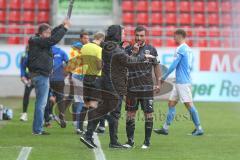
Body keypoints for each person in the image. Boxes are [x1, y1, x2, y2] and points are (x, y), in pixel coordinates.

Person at [80, 25, 156, 149]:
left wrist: (133, 53)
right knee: (113, 113)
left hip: (105, 82)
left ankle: (90, 135)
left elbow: (123, 59)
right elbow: (129, 62)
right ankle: (110, 141)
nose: (124, 35)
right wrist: (144, 57)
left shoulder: (107, 46)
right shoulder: (116, 49)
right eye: (122, 32)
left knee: (103, 110)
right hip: (114, 84)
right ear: (117, 34)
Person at [154, 29, 204, 136]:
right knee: (171, 103)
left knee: (189, 105)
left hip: (183, 82)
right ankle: (165, 128)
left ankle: (199, 128)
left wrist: (164, 77)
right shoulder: (189, 49)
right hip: (180, 81)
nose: (173, 38)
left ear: (179, 35)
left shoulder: (180, 49)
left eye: (174, 36)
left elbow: (174, 64)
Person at [28, 19, 70, 135]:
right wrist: (65, 29)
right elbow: (53, 39)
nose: (49, 35)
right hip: (40, 75)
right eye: (47, 33)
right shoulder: (36, 40)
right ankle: (37, 130)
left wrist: (61, 25)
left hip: (42, 75)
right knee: (41, 104)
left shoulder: (38, 40)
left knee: (40, 103)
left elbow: (52, 34)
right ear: (41, 33)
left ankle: (38, 128)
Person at [123, 26, 161, 149]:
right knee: (130, 114)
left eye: (142, 35)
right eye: (137, 35)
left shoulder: (152, 50)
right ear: (134, 35)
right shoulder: (128, 50)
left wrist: (159, 82)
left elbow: (156, 66)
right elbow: (125, 66)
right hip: (131, 88)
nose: (139, 38)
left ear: (146, 36)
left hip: (147, 88)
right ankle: (130, 141)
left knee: (148, 114)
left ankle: (147, 142)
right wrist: (134, 52)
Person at [44, 45, 69, 128]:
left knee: (46, 99)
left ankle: (47, 121)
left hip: (47, 78)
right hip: (59, 79)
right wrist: (66, 73)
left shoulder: (45, 49)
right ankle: (61, 115)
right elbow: (69, 62)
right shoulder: (61, 51)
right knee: (60, 99)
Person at [20, 46, 34, 121]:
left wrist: (32, 78)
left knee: (42, 97)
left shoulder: (37, 56)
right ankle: (24, 113)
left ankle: (46, 116)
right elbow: (22, 67)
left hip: (37, 78)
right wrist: (22, 76)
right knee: (26, 95)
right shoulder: (24, 56)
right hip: (29, 79)